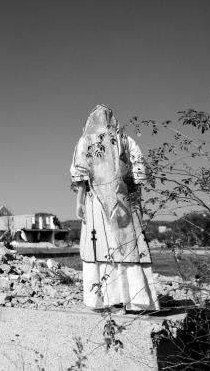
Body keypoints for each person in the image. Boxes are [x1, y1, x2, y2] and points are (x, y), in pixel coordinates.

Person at [71, 105, 160, 312]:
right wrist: (137, 201)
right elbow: (139, 173)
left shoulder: (87, 141)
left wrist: (79, 201)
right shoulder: (126, 141)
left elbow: (80, 174)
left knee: (109, 247)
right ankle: (134, 300)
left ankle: (105, 300)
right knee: (123, 247)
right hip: (122, 201)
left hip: (99, 203)